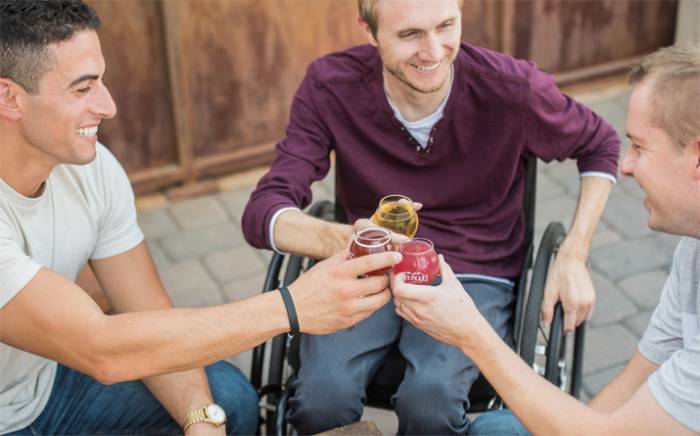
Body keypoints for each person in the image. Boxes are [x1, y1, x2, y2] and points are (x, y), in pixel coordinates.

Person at [0, 1, 401, 435]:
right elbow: (103, 351)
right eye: (82, 89)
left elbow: (147, 308)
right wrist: (293, 306)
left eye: (101, 80)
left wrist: (199, 417)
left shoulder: (91, 168)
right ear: (9, 97)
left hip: (45, 384)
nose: (108, 106)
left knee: (226, 401)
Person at [241, 0, 620, 433]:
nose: (434, 51)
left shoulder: (511, 88)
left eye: (446, 25)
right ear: (368, 31)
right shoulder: (331, 85)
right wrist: (343, 239)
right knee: (319, 399)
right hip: (371, 263)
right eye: (410, 34)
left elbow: (600, 144)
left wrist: (574, 253)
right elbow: (262, 213)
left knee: (430, 402)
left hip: (476, 269)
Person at [392, 42, 700, 435]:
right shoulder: (692, 250)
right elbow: (629, 389)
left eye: (639, 147)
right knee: (496, 429)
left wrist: (470, 331)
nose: (626, 165)